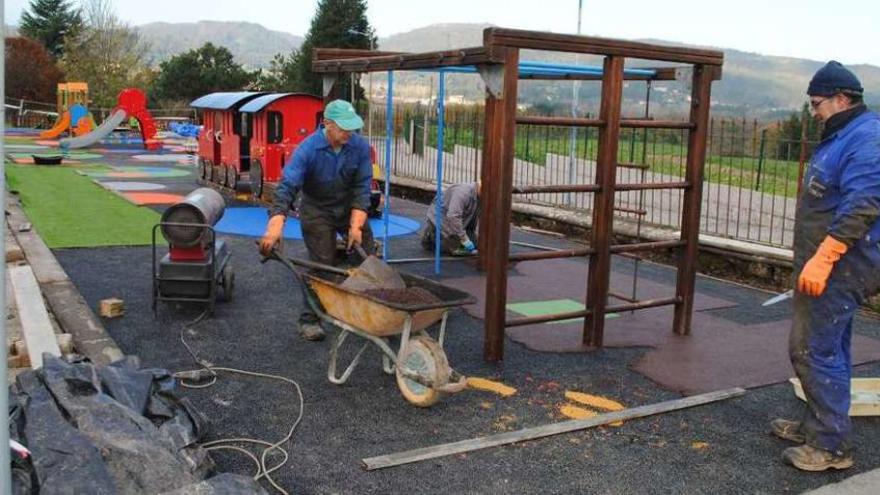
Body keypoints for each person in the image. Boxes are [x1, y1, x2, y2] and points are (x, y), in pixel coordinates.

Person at [771, 61, 880, 471]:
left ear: (842, 98)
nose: (813, 111)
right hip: (835, 260)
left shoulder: (866, 137)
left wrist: (824, 258)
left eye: (817, 103)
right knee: (830, 346)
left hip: (845, 263)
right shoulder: (843, 133)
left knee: (811, 348)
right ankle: (820, 423)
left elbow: (864, 202)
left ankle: (831, 446)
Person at [259, 99, 374, 341]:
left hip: (348, 208)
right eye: (343, 128)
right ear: (327, 124)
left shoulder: (360, 147)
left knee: (367, 257)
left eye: (351, 128)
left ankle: (365, 310)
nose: (348, 133)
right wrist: (275, 225)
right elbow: (287, 186)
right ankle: (309, 319)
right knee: (323, 263)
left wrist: (355, 225)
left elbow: (362, 187)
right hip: (317, 210)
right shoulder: (308, 149)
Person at [420, 181, 480, 256]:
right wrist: (464, 239)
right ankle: (430, 236)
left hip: (459, 222)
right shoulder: (463, 193)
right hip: (441, 220)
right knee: (457, 249)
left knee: (477, 245)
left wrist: (471, 234)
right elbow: (453, 216)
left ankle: (449, 239)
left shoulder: (480, 196)